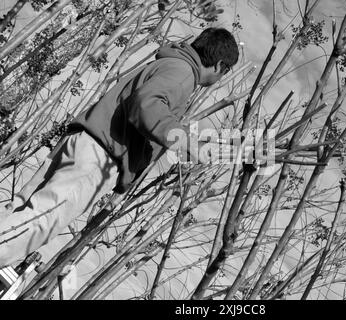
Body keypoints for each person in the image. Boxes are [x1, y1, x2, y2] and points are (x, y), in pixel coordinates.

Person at [0, 27, 239, 267]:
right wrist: (186, 140)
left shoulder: (171, 63)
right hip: (99, 156)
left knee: (20, 212)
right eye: (225, 71)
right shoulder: (184, 73)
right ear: (219, 66)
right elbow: (147, 106)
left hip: (84, 142)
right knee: (40, 222)